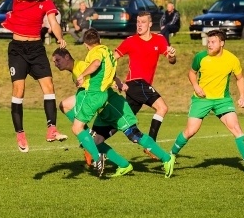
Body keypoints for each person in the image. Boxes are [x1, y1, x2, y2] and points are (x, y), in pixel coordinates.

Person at [52, 48, 176, 178]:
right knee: (96, 141)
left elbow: (103, 71)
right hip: (103, 111)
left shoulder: (81, 67)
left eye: (58, 60)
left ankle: (167, 158)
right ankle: (123, 165)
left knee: (134, 135)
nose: (56, 64)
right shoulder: (75, 72)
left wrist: (116, 82)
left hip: (113, 106)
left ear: (67, 57)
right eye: (54, 62)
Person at [169, 29, 244, 174]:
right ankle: (171, 155)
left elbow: (240, 78)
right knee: (190, 131)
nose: (209, 45)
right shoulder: (201, 57)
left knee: (236, 128)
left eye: (213, 42)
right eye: (208, 42)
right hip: (202, 99)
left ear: (222, 43)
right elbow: (191, 73)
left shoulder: (232, 59)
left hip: (222, 100)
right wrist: (196, 86)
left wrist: (242, 96)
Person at [2, 0, 69, 152]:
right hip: (18, 50)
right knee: (19, 90)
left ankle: (52, 129)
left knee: (49, 87)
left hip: (36, 49)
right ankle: (20, 134)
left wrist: (60, 37)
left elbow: (53, 22)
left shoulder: (46, 0)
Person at [113, 12, 176, 145]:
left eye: (143, 22)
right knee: (162, 108)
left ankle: (93, 140)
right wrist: (115, 79)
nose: (139, 25)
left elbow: (171, 60)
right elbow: (111, 59)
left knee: (123, 118)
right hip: (135, 82)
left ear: (150, 24)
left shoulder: (159, 39)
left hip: (139, 87)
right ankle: (151, 145)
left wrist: (171, 55)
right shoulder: (130, 41)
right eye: (138, 22)